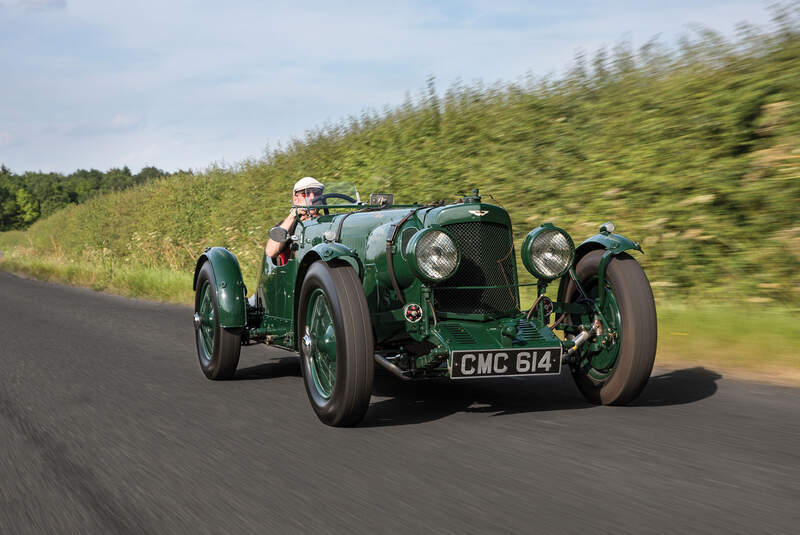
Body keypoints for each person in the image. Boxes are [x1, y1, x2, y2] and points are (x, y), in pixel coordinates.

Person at [265, 177, 325, 262]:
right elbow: (271, 252)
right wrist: (293, 215)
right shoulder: (289, 224)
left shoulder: (328, 221)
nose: (312, 197)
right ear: (295, 199)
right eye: (305, 194)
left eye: (316, 193)